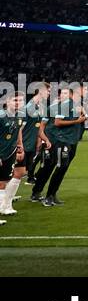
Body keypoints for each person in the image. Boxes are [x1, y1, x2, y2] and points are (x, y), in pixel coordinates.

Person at [30, 85, 85, 206]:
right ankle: (49, 196)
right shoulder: (62, 106)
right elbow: (54, 123)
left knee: (52, 167)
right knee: (58, 167)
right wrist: (43, 139)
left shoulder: (75, 106)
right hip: (58, 141)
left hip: (68, 141)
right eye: (84, 90)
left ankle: (38, 193)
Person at [0, 93, 25, 221]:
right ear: (7, 101)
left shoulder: (19, 115)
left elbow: (18, 130)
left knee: (3, 182)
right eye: (15, 100)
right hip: (1, 153)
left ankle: (3, 208)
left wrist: (20, 146)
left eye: (20, 100)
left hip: (10, 152)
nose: (18, 102)